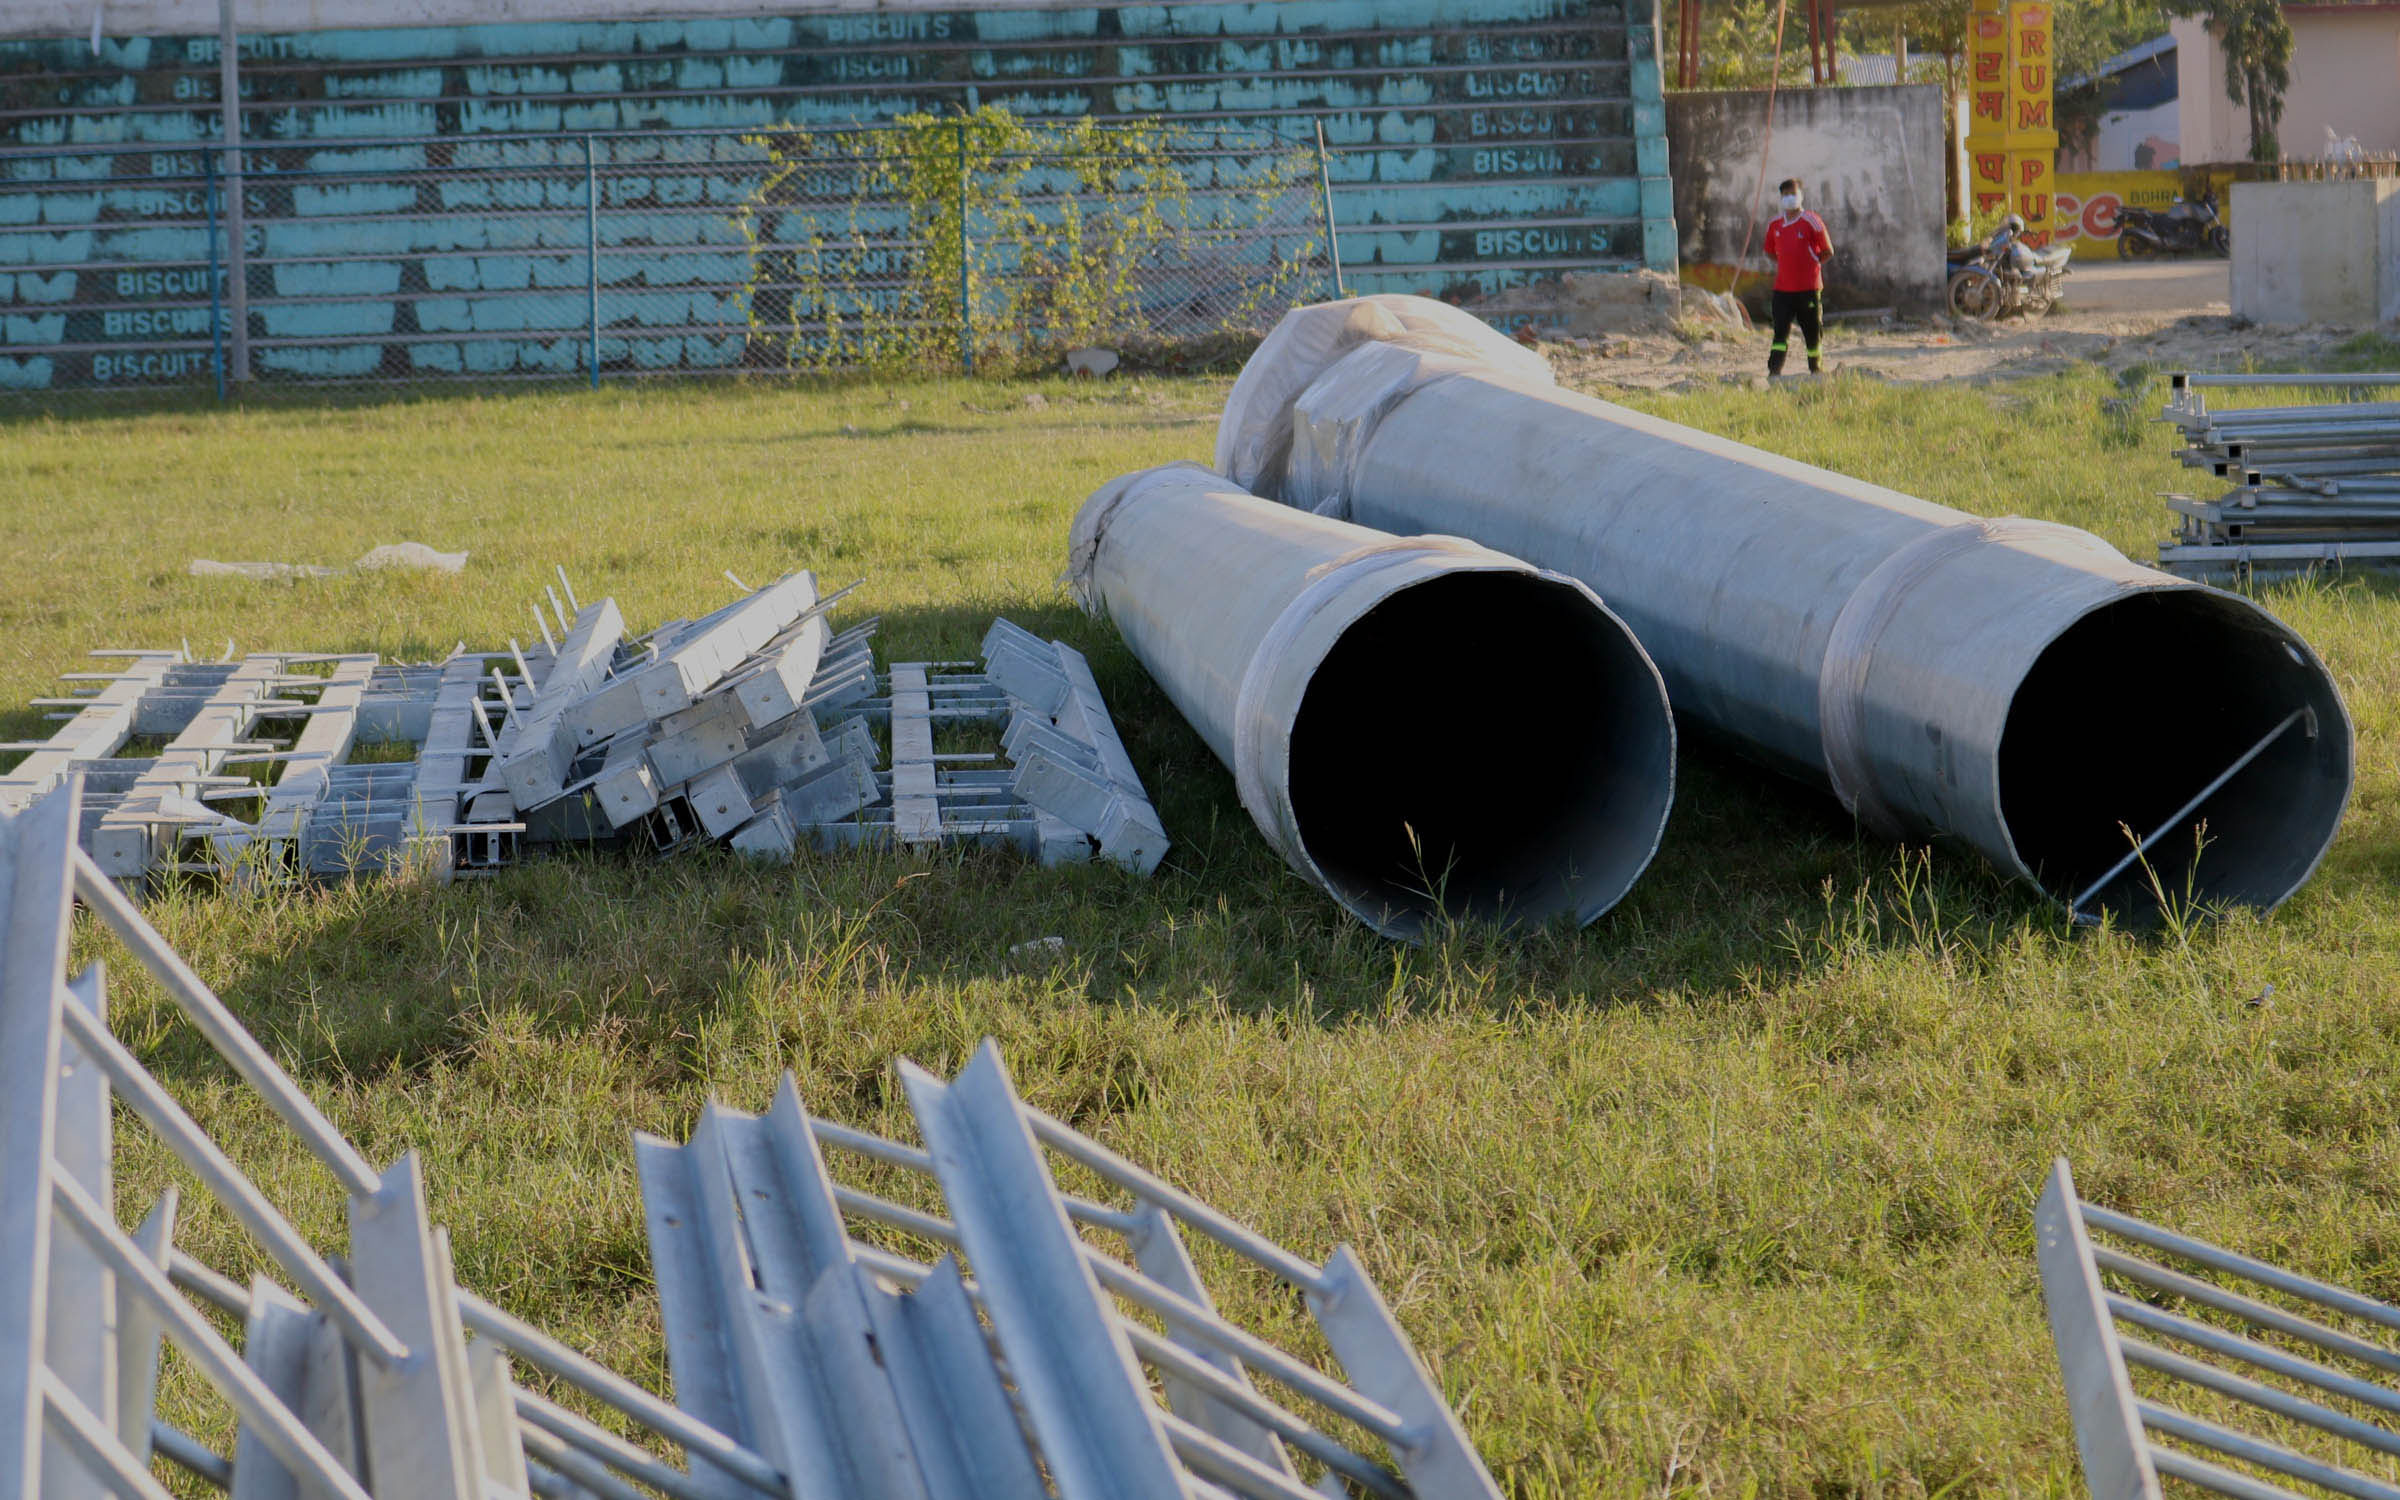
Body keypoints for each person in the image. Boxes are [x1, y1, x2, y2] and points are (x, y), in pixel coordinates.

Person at [1760, 178, 1833, 376]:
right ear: (1781, 198)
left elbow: (1827, 251)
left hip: (1808, 289)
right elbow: (1769, 251)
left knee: (1812, 331)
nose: (1790, 198)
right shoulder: (1775, 225)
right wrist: (1786, 263)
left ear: (1801, 196)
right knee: (1780, 333)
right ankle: (1774, 371)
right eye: (1785, 195)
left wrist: (1811, 263)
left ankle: (1816, 369)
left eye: (1793, 194)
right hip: (1783, 290)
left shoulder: (1811, 220)